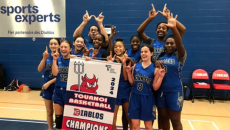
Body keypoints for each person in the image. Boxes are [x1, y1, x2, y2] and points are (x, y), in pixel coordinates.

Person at [156, 13, 187, 130]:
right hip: (161, 92)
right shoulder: (160, 57)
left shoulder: (180, 56)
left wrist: (174, 28)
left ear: (175, 45)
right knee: (163, 119)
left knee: (175, 120)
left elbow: (179, 42)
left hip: (175, 92)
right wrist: (155, 63)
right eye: (167, 43)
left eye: (171, 43)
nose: (169, 45)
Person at [126, 44, 165, 130]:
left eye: (146, 52)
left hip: (147, 98)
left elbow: (155, 87)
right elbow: (132, 83)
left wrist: (161, 77)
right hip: (135, 97)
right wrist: (129, 73)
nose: (143, 53)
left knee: (148, 126)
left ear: (151, 53)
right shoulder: (136, 66)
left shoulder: (155, 69)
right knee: (135, 126)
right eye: (142, 52)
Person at [106, 37, 134, 130]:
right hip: (114, 91)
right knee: (112, 120)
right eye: (116, 46)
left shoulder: (128, 60)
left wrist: (124, 63)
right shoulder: (111, 59)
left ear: (124, 49)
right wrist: (110, 64)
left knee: (129, 118)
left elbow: (126, 78)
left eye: (120, 46)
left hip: (125, 90)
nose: (117, 48)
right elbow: (108, 77)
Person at [37, 38, 60, 130]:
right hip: (47, 88)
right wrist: (44, 59)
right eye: (51, 44)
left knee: (59, 112)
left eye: (55, 44)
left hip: (58, 87)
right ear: (49, 45)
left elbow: (60, 74)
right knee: (49, 111)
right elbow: (39, 69)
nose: (53, 45)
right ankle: (50, 128)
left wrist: (49, 82)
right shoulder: (46, 56)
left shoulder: (61, 57)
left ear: (59, 45)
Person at [52, 40, 72, 130]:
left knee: (69, 120)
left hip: (69, 92)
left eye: (65, 47)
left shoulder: (75, 60)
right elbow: (55, 73)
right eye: (62, 47)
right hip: (58, 91)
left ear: (70, 49)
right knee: (58, 119)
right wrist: (54, 60)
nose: (63, 49)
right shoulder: (57, 59)